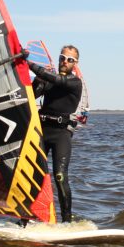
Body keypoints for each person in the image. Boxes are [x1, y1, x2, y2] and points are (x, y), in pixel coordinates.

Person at [26, 45, 83, 224]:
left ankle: (67, 222)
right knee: (33, 175)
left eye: (70, 59)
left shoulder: (75, 82)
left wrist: (29, 64)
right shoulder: (49, 79)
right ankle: (27, 218)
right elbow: (32, 95)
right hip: (42, 131)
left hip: (61, 135)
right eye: (62, 58)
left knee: (59, 176)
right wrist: (38, 80)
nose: (65, 62)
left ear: (75, 64)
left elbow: (58, 81)